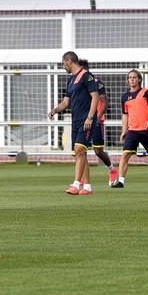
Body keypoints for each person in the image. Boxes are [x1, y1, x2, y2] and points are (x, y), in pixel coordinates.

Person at [49, 51, 100, 195]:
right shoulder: (71, 80)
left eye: (63, 63)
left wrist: (90, 117)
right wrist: (55, 110)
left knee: (79, 150)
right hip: (75, 120)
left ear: (69, 61)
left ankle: (76, 184)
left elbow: (95, 97)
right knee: (80, 153)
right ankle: (87, 187)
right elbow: (66, 102)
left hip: (86, 120)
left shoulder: (86, 76)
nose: (63, 66)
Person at [110, 69, 148, 188]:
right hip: (133, 131)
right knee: (125, 155)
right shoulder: (125, 97)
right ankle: (121, 181)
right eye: (130, 78)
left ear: (139, 79)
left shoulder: (146, 92)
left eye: (134, 77)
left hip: (147, 130)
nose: (132, 79)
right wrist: (124, 131)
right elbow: (125, 115)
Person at [80, 59, 118, 186]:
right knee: (80, 150)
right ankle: (80, 179)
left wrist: (97, 117)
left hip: (96, 121)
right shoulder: (77, 83)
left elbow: (104, 101)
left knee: (98, 151)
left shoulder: (97, 83)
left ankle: (112, 169)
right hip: (82, 121)